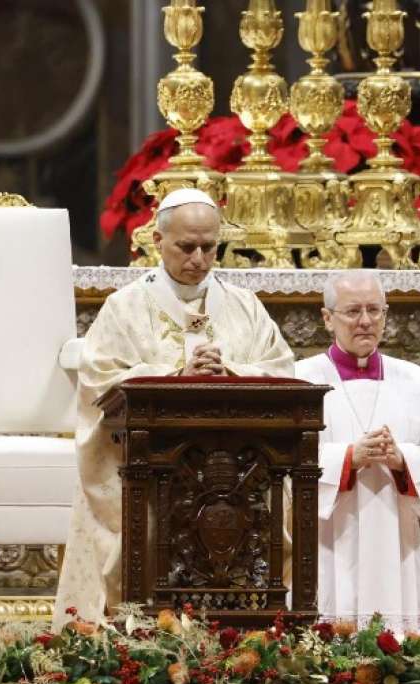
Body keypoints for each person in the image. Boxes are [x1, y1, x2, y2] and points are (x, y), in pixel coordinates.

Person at [53, 189, 294, 625]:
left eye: (209, 247)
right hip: (147, 468)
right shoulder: (124, 308)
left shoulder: (245, 307)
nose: (198, 258)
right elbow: (100, 381)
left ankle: (245, 627)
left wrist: (232, 371)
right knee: (142, 526)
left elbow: (282, 370)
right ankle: (140, 628)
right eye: (186, 246)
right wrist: (176, 372)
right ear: (158, 241)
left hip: (237, 472)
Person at [292, 270, 420, 632]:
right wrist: (347, 458)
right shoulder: (298, 380)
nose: (365, 322)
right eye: (353, 311)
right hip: (327, 542)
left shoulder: (418, 382)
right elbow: (278, 462)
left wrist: (404, 459)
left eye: (375, 310)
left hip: (396, 542)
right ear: (327, 318)